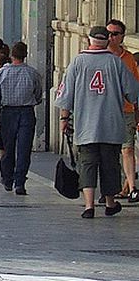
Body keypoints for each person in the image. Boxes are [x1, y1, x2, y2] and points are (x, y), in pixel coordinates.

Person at [55, 26, 139, 218]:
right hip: (111, 125)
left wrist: (64, 118)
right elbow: (133, 92)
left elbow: (65, 95)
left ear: (89, 40)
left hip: (85, 126)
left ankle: (88, 206)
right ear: (107, 41)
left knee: (87, 163)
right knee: (110, 165)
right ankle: (110, 203)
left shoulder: (77, 62)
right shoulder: (116, 63)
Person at [0, 42, 44, 195]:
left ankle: (7, 178)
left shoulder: (1, 73)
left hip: (7, 113)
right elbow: (38, 94)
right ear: (25, 55)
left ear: (11, 55)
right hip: (26, 112)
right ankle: (20, 182)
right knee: (24, 149)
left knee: (8, 147)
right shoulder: (33, 73)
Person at [104, 19, 139, 202]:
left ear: (122, 37)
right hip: (104, 111)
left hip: (126, 110)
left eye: (115, 34)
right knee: (108, 152)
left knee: (128, 149)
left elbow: (135, 86)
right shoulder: (99, 57)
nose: (111, 37)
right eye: (108, 33)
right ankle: (110, 189)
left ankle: (132, 188)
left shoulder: (128, 59)